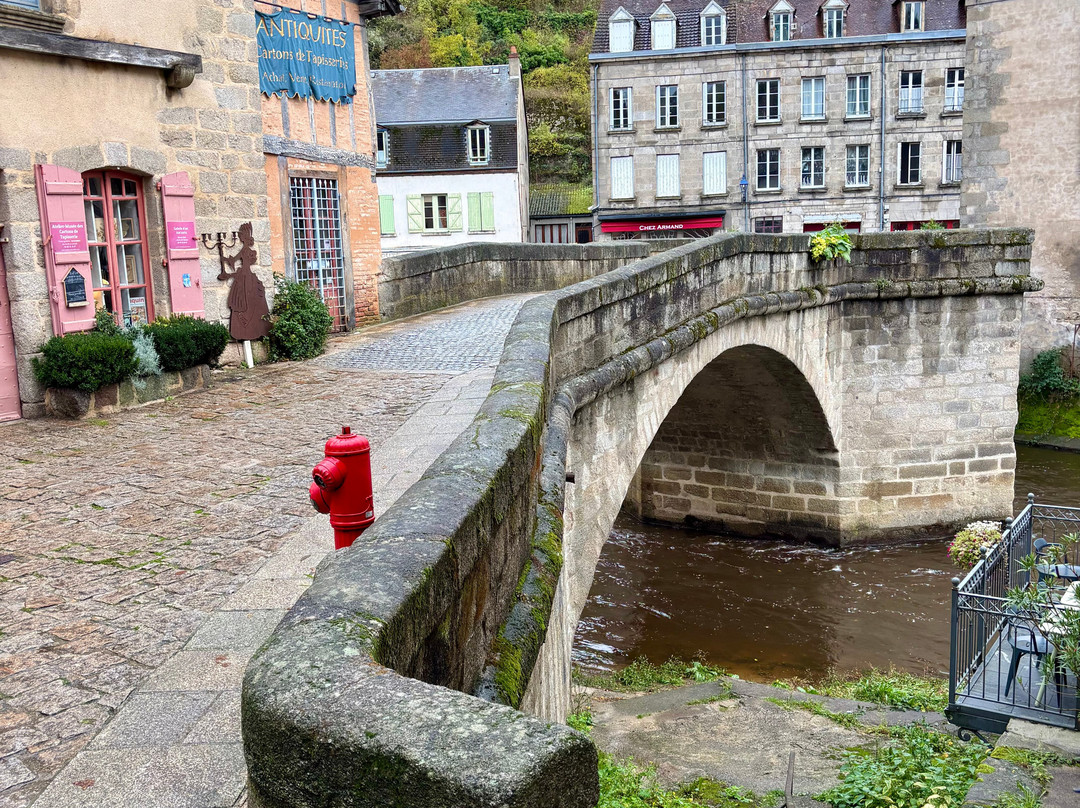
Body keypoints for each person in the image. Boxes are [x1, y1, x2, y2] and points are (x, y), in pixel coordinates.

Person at [220, 222, 271, 340]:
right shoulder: (245, 249)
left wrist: (225, 260)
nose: (240, 237)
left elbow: (233, 260)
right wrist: (224, 258)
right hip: (244, 274)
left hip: (245, 275)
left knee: (247, 299)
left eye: (241, 235)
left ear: (244, 237)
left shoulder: (245, 249)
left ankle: (250, 326)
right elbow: (233, 260)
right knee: (245, 300)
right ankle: (245, 328)